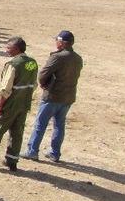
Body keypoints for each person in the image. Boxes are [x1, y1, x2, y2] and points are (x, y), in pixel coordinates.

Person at [22, 31, 83, 162]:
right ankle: (55, 153)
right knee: (59, 125)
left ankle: (32, 150)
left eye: (57, 40)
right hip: (68, 97)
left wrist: (44, 84)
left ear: (61, 43)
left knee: (40, 124)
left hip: (53, 96)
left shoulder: (58, 57)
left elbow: (43, 74)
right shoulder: (78, 58)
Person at [0, 36, 38, 171]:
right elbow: (34, 84)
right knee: (17, 132)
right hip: (24, 103)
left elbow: (6, 89)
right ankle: (12, 161)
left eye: (8, 48)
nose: (6, 50)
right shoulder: (32, 63)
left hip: (11, 103)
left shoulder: (13, 65)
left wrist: (0, 105)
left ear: (16, 49)